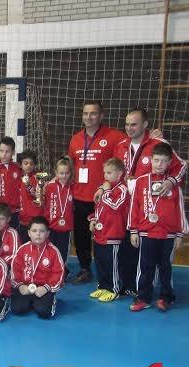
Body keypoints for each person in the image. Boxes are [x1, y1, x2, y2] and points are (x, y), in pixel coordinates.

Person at [111, 108, 187, 296]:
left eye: (134, 124)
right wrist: (106, 186)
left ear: (145, 124)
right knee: (127, 247)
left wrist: (171, 181)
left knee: (151, 256)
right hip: (125, 205)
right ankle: (129, 285)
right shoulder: (120, 145)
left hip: (150, 208)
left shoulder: (158, 143)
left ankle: (151, 290)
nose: (129, 128)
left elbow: (181, 165)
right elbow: (114, 171)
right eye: (127, 124)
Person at [68, 101, 126, 284]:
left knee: (106, 237)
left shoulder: (115, 137)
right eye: (85, 113)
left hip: (105, 198)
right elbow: (71, 166)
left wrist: (153, 135)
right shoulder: (75, 139)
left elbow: (133, 145)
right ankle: (85, 268)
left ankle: (112, 271)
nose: (89, 117)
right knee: (81, 236)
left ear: (101, 116)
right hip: (80, 196)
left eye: (93, 113)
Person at [128, 143, 188, 312]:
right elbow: (134, 207)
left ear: (169, 163)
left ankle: (166, 297)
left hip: (168, 234)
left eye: (163, 161)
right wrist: (133, 230)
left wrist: (180, 234)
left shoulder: (174, 185)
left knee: (165, 267)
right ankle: (143, 298)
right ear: (151, 160)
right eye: (156, 160)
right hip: (147, 233)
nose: (159, 164)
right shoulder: (141, 181)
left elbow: (180, 210)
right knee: (145, 267)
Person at [88, 158, 129, 302]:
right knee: (100, 262)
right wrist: (93, 219)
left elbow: (116, 205)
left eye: (109, 173)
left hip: (113, 234)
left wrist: (105, 191)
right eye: (105, 172)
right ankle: (103, 286)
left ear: (119, 174)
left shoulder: (122, 189)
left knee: (112, 264)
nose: (106, 176)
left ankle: (114, 289)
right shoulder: (105, 188)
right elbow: (99, 208)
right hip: (100, 233)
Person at [10, 216, 65, 319]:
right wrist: (20, 286)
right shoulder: (22, 250)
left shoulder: (53, 251)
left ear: (47, 234)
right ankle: (32, 302)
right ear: (29, 233)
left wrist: (46, 288)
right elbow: (15, 270)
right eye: (34, 231)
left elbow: (59, 273)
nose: (38, 234)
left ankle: (48, 300)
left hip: (43, 288)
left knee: (44, 312)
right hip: (26, 287)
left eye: (42, 231)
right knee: (17, 309)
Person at [43, 157, 75, 278]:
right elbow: (42, 201)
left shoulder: (73, 187)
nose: (64, 176)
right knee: (50, 250)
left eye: (67, 173)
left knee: (63, 251)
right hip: (51, 225)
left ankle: (62, 272)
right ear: (56, 172)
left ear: (70, 173)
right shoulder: (49, 186)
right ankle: (50, 271)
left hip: (66, 227)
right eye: (61, 173)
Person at [18, 150, 44, 243]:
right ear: (21, 164)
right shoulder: (18, 176)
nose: (28, 166)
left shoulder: (39, 176)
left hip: (35, 219)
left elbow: (38, 195)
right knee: (23, 245)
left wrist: (28, 185)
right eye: (26, 163)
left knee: (36, 244)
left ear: (35, 165)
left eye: (31, 163)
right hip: (22, 219)